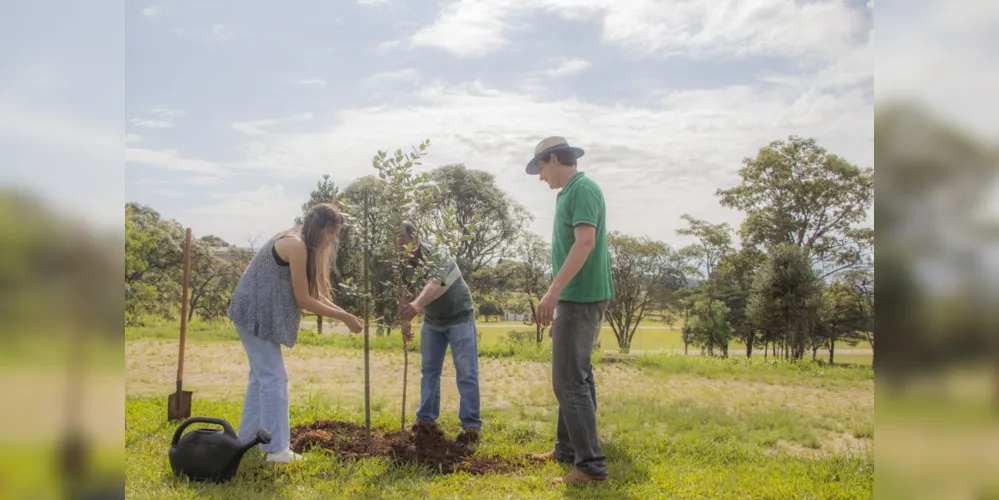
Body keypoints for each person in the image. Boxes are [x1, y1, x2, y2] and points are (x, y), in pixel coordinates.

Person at [227, 203, 364, 463]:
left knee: (261, 378)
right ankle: (276, 450)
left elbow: (316, 293)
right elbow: (303, 299)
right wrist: (345, 318)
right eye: (332, 233)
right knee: (275, 379)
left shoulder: (299, 242)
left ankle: (246, 442)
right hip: (254, 313)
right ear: (321, 228)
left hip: (255, 313)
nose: (334, 239)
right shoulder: (296, 245)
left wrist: (346, 315)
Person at [525, 136, 614, 484]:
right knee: (576, 375)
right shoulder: (569, 193)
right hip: (574, 299)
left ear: (555, 159)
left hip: (581, 297)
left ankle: (591, 467)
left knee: (569, 381)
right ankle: (567, 450)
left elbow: (586, 242)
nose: (540, 176)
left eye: (540, 167)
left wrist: (553, 294)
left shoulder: (583, 188)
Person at [397, 221, 482, 443]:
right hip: (433, 321)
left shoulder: (436, 254)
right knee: (429, 371)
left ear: (414, 237)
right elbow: (407, 290)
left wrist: (416, 306)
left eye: (401, 241)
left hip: (459, 317)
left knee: (466, 372)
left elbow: (435, 284)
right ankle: (425, 421)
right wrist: (405, 320)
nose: (399, 247)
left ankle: (471, 427)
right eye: (395, 243)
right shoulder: (406, 263)